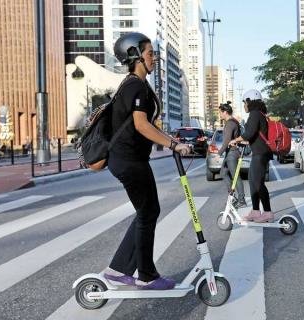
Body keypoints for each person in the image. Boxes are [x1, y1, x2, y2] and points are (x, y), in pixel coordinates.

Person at [101, 32, 191, 290]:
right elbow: (141, 125)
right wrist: (173, 144)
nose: (154, 58)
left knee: (147, 211)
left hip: (131, 159)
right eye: (150, 53)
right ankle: (146, 275)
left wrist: (171, 140)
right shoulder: (135, 86)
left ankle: (118, 270)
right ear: (135, 56)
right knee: (148, 211)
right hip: (129, 160)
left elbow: (146, 124)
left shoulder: (135, 85)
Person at [228, 89, 272, 223]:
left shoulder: (255, 114)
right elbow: (254, 136)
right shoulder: (260, 114)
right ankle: (255, 211)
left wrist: (235, 140)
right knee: (253, 182)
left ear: (249, 101)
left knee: (258, 183)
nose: (244, 105)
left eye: (244, 102)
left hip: (261, 153)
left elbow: (249, 133)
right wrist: (243, 142)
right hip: (259, 152)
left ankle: (268, 213)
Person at [218, 102, 247, 208]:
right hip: (231, 153)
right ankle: (232, 196)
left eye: (220, 113)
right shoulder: (233, 122)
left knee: (235, 177)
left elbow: (226, 140)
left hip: (232, 153)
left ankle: (241, 200)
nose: (220, 115)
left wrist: (219, 153)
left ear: (225, 112)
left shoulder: (230, 123)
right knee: (223, 173)